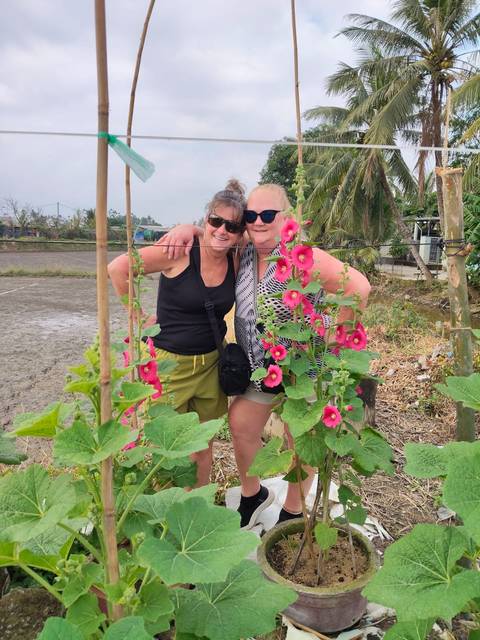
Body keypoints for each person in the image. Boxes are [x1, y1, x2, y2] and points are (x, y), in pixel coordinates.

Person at [160, 183, 371, 528]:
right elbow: (217, 233)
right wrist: (190, 228)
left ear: (285, 219)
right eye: (251, 216)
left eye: (268, 215)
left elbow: (358, 288)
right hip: (260, 370)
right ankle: (252, 493)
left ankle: (292, 509)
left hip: (302, 370)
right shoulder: (243, 250)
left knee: (299, 436)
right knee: (241, 423)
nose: (258, 222)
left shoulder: (301, 256)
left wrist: (334, 338)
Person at [108, 180, 246, 486]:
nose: (223, 230)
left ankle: (196, 509)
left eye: (232, 226)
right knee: (164, 449)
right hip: (170, 366)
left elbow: (261, 233)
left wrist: (194, 227)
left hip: (212, 363)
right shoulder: (180, 252)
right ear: (206, 218)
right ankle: (164, 519)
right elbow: (118, 268)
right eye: (215, 221)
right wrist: (139, 318)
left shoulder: (235, 258)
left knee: (202, 446)